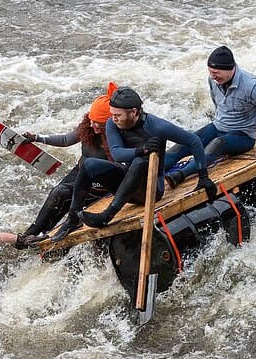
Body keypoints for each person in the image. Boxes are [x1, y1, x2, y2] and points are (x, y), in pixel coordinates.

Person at [51, 86, 216, 242]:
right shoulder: (112, 123)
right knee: (88, 164)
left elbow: (193, 141)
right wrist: (142, 149)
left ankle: (107, 215)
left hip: (150, 190)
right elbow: (116, 153)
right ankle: (72, 218)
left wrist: (203, 176)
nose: (113, 119)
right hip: (126, 183)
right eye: (112, 114)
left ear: (134, 112)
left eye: (118, 115)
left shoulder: (157, 126)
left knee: (139, 162)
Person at [163, 45, 256, 188]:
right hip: (218, 127)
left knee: (217, 143)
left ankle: (180, 175)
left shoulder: (253, 86)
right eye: (210, 72)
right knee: (188, 141)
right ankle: (152, 171)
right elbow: (218, 103)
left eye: (216, 73)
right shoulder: (213, 80)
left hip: (242, 136)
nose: (212, 76)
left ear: (230, 69)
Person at [20, 82, 117, 240]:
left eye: (98, 123)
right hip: (81, 172)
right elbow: (66, 139)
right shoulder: (88, 126)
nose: (93, 125)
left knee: (70, 201)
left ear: (110, 123)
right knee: (58, 193)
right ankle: (34, 232)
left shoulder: (117, 136)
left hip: (102, 183)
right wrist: (37, 138)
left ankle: (60, 229)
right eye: (91, 120)